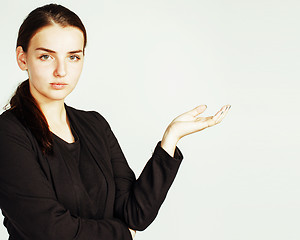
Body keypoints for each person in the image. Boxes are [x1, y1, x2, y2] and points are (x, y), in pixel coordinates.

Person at [0, 3, 231, 240]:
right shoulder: (8, 134)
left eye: (73, 57)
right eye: (46, 56)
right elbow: (50, 230)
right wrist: (121, 234)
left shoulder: (95, 125)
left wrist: (170, 139)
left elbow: (134, 213)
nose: (61, 70)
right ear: (22, 58)